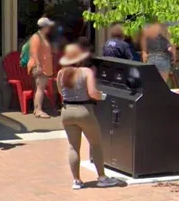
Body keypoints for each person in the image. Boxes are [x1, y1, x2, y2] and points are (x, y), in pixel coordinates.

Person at [57, 44, 118, 190]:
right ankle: (102, 177)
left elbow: (60, 92)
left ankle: (76, 181)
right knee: (96, 144)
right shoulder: (86, 71)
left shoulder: (61, 73)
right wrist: (102, 96)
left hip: (66, 111)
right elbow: (92, 93)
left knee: (73, 146)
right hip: (84, 110)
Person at [28, 17, 55, 118]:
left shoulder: (43, 37)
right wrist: (38, 65)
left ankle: (37, 109)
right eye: (48, 26)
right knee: (40, 88)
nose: (49, 28)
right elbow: (34, 53)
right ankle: (38, 110)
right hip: (40, 67)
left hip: (45, 67)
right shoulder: (36, 37)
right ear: (44, 27)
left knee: (40, 88)